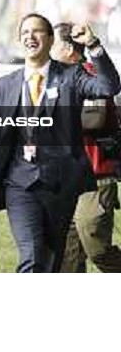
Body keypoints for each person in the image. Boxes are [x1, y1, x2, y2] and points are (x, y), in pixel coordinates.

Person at [0, 13, 120, 272]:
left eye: (38, 31)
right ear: (20, 39)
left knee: (57, 261)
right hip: (20, 185)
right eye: (25, 32)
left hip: (65, 184)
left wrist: (94, 45)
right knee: (32, 256)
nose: (31, 36)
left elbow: (109, 86)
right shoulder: (5, 85)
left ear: (51, 40)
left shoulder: (72, 75)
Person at [52, 22, 121, 272]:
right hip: (62, 180)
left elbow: (93, 119)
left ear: (70, 49)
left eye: (54, 43)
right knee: (66, 261)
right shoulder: (50, 80)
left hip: (96, 176)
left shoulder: (92, 75)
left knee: (98, 249)